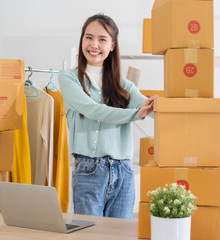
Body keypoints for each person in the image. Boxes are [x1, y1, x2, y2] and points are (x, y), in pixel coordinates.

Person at [57, 13, 157, 219]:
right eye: (89, 37)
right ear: (82, 40)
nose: (94, 45)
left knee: (119, 235)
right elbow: (93, 110)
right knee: (91, 234)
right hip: (89, 170)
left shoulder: (123, 85)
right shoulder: (68, 78)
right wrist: (137, 114)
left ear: (112, 45)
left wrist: (166, 105)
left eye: (102, 39)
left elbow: (150, 108)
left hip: (124, 171)